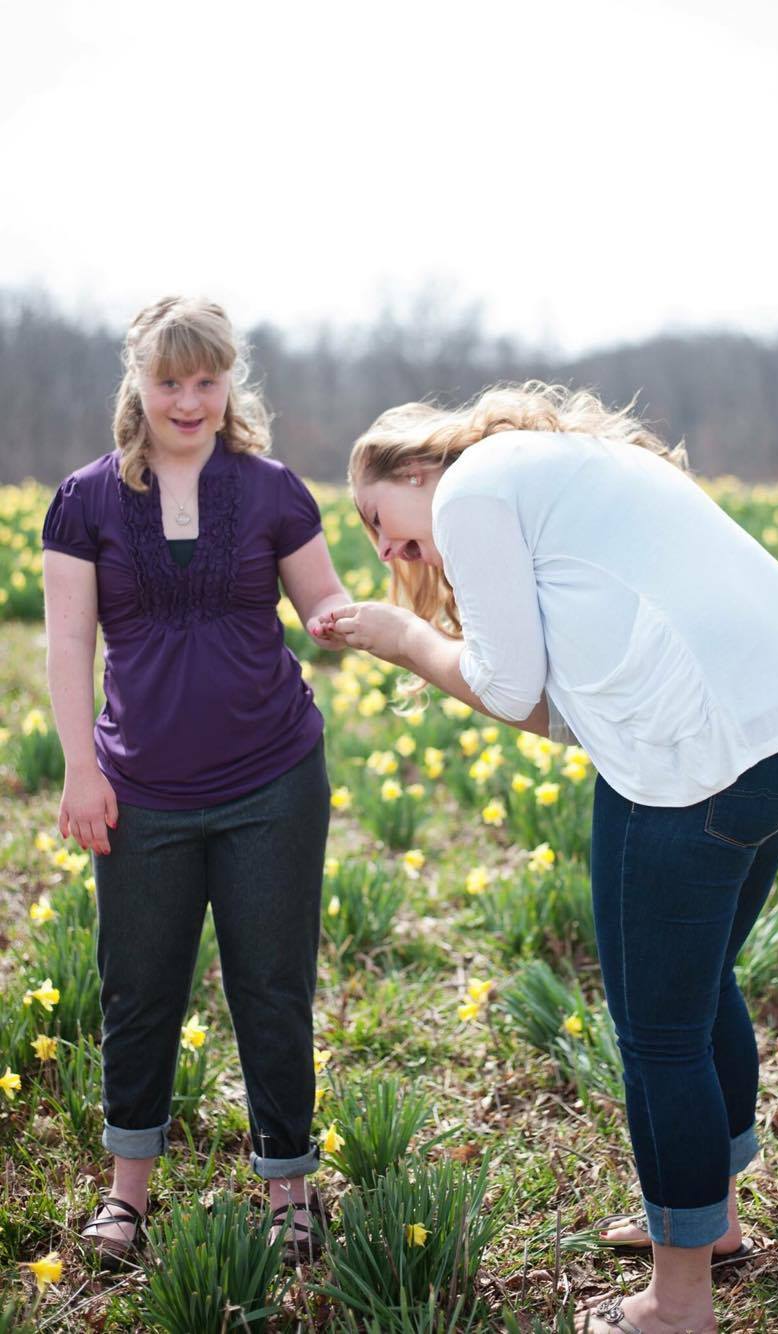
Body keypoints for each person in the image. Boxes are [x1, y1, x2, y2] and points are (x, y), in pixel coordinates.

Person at [316, 382, 778, 1334]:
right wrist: (441, 646)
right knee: (690, 990)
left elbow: (504, 682)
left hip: (705, 757)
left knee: (657, 1035)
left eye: (380, 521)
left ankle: (678, 1299)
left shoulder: (474, 488)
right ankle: (706, 1222)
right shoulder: (563, 468)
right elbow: (564, 709)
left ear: (416, 469)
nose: (390, 551)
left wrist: (408, 641)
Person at [41, 296, 350, 1267]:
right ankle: (127, 1197)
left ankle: (290, 1190)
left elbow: (325, 607)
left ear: (230, 383)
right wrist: (81, 769)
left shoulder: (271, 492)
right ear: (137, 381)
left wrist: (388, 600)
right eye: (169, 379)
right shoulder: (84, 501)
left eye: (206, 379)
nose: (189, 398)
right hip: (140, 789)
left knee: (271, 984)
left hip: (274, 776)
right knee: (139, 989)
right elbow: (66, 646)